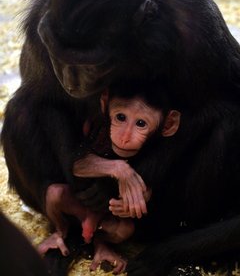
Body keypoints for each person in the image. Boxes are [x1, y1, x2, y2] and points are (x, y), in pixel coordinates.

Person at [39, 87, 181, 273]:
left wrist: (137, 201)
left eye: (140, 123)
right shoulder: (97, 126)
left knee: (125, 229)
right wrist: (118, 168)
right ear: (104, 103)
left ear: (168, 125)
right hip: (79, 205)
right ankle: (59, 232)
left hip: (107, 217)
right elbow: (75, 164)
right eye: (120, 117)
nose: (124, 137)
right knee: (55, 194)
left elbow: (156, 187)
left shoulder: (160, 148)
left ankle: (101, 243)